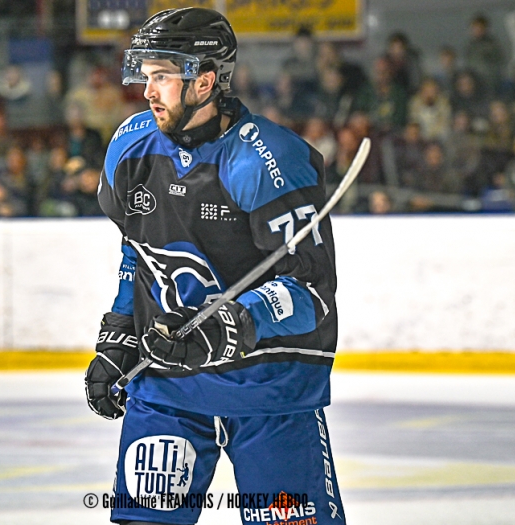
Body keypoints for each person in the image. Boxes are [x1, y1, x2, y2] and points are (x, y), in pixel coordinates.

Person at [85, 8, 346, 525]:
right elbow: (138, 248)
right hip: (168, 384)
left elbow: (309, 289)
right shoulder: (131, 147)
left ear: (204, 81)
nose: (148, 91)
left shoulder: (268, 160)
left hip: (268, 387)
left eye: (163, 76)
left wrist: (232, 325)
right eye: (146, 75)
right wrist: (119, 335)